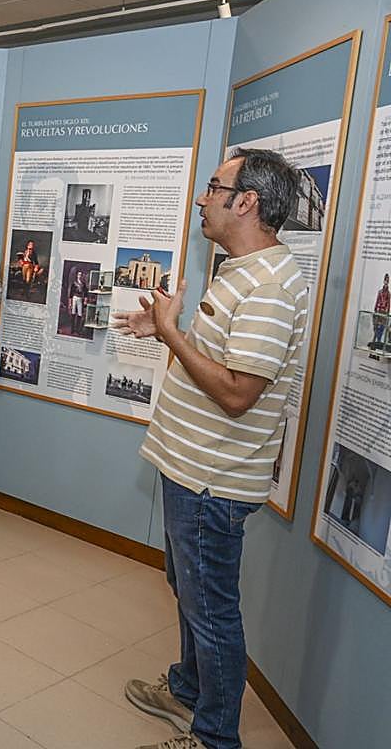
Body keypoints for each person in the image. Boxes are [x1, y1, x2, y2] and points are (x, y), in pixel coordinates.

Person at [114, 149, 309, 749]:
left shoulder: (272, 286)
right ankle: (188, 691)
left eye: (213, 188)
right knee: (190, 590)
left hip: (213, 481)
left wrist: (173, 333)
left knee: (213, 613)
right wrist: (171, 333)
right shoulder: (241, 271)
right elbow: (227, 363)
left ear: (245, 201)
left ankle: (215, 738)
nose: (202, 199)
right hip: (190, 469)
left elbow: (236, 394)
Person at [370, 273, 389, 354]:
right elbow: (377, 300)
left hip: (384, 312)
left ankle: (378, 341)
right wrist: (375, 310)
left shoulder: (388, 293)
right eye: (385, 280)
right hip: (378, 311)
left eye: (387, 281)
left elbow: (388, 303)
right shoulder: (380, 292)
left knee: (381, 327)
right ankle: (374, 342)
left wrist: (387, 312)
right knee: (376, 327)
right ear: (383, 281)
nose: (386, 282)